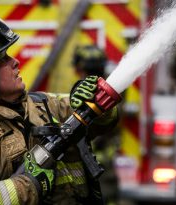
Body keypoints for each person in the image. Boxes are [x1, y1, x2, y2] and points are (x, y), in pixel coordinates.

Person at [0, 3, 118, 204]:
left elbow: (104, 122)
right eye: (3, 59)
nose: (15, 62)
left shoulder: (44, 105)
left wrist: (94, 99)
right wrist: (30, 184)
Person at [73, 45, 120, 205]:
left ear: (79, 68)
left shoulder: (79, 93)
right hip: (105, 162)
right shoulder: (113, 89)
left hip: (88, 162)